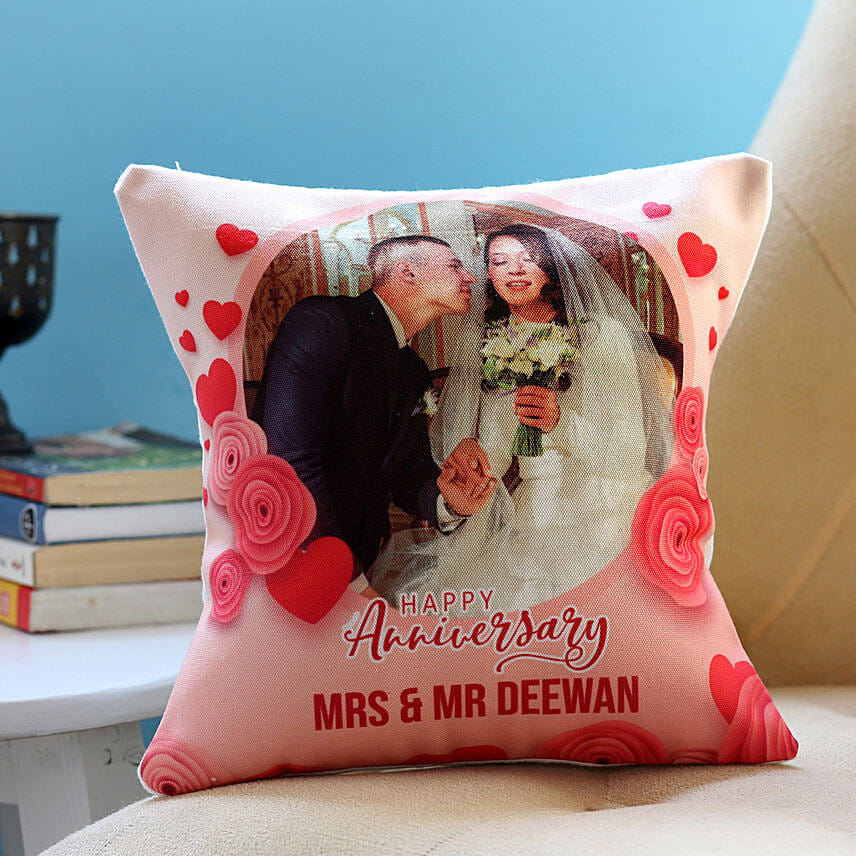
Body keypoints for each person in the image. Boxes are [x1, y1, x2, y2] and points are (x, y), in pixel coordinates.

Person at [367, 223, 674, 614]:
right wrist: (472, 460)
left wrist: (560, 421)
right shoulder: (485, 341)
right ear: (489, 276)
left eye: (528, 259)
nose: (513, 270)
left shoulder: (601, 335)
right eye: (499, 262)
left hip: (599, 504)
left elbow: (627, 454)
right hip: (529, 501)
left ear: (550, 269)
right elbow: (481, 447)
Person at [251, 235, 498, 596]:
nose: (470, 277)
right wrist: (347, 579)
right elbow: (289, 460)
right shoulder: (323, 322)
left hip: (364, 562)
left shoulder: (413, 370)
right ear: (408, 272)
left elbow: (408, 477)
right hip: (291, 563)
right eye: (454, 266)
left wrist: (449, 503)